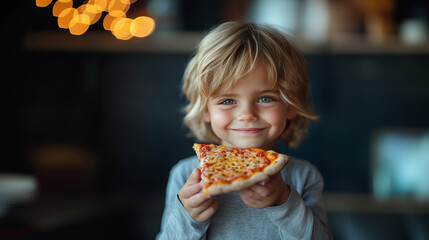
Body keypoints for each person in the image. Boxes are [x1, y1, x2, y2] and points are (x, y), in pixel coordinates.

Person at [156, 21, 332, 239]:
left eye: (265, 98)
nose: (247, 114)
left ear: (291, 106)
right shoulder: (184, 176)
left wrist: (284, 202)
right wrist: (188, 216)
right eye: (228, 100)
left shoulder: (304, 176)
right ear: (206, 110)